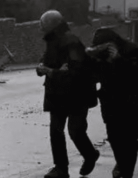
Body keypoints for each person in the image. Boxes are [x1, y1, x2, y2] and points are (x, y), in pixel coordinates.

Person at [36, 10, 99, 178]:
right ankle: (61, 168)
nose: (40, 27)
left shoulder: (71, 42)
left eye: (43, 24)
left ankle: (90, 155)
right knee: (56, 130)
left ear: (52, 25)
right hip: (57, 94)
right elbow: (45, 62)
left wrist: (51, 71)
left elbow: (75, 71)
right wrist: (43, 68)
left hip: (78, 94)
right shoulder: (52, 41)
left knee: (75, 130)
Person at [86, 27, 138, 178]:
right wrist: (90, 57)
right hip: (110, 101)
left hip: (130, 102)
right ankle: (122, 164)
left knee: (129, 139)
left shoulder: (131, 50)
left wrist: (119, 60)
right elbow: (93, 75)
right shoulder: (100, 55)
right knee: (114, 137)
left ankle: (126, 171)